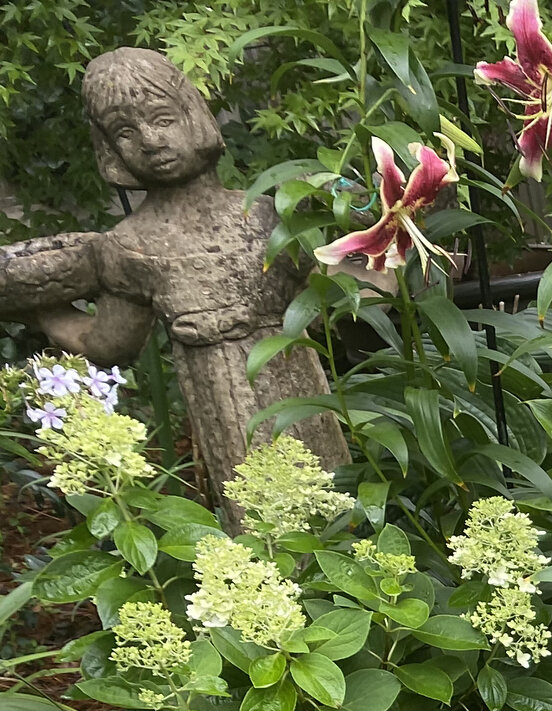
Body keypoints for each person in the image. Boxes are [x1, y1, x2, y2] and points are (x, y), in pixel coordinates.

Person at [0, 48, 346, 511]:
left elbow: (335, 281)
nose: (149, 140)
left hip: (302, 390)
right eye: (125, 131)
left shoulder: (269, 211)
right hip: (228, 408)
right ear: (109, 148)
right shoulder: (129, 245)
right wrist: (46, 309)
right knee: (265, 524)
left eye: (162, 119)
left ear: (194, 116)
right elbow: (112, 344)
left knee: (338, 506)